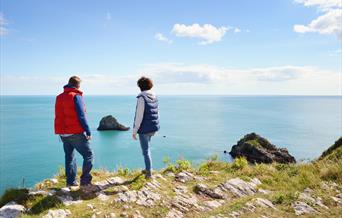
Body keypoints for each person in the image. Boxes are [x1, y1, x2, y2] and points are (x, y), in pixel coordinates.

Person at [54, 76, 94, 188]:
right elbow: (81, 115)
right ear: (78, 85)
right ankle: (85, 181)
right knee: (89, 155)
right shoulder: (76, 96)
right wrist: (88, 131)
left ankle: (70, 182)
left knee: (69, 157)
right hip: (75, 132)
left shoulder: (59, 97)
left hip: (63, 133)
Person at [132, 76, 160, 179]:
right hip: (153, 127)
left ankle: (149, 173)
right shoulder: (154, 96)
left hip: (144, 129)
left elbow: (139, 116)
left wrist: (134, 131)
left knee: (146, 151)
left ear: (139, 86)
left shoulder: (141, 98)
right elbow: (157, 112)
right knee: (147, 149)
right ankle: (148, 168)